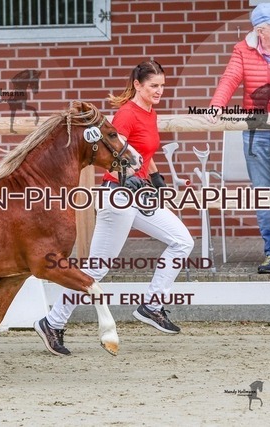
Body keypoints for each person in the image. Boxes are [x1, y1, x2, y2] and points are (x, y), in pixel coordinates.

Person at [34, 60, 194, 356]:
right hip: (118, 195)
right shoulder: (126, 114)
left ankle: (152, 305)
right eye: (153, 86)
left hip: (140, 193)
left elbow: (143, 153)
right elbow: (111, 155)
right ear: (137, 85)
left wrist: (156, 179)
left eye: (162, 85)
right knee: (96, 267)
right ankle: (52, 323)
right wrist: (128, 177)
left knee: (182, 241)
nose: (159, 91)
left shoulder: (150, 112)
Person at [210, 3, 270, 275]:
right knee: (262, 194)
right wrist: (217, 104)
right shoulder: (243, 50)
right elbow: (230, 78)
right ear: (260, 31)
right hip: (256, 132)